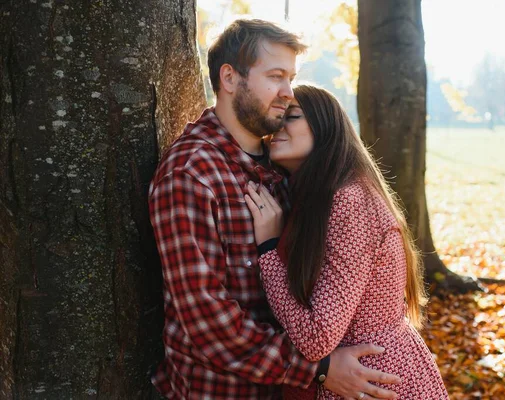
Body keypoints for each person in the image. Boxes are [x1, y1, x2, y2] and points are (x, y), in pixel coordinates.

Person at [148, 19, 402, 399]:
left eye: (291, 77)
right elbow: (208, 321)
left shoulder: (281, 164)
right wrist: (318, 369)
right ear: (230, 78)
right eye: (276, 76)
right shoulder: (192, 173)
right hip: (224, 392)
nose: (287, 92)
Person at [244, 85, 450, 399]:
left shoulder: (349, 202)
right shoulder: (321, 198)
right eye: (276, 118)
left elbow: (317, 338)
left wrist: (268, 249)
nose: (278, 126)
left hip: (372, 381)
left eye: (293, 116)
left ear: (326, 128)